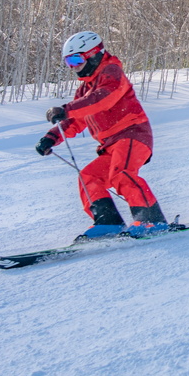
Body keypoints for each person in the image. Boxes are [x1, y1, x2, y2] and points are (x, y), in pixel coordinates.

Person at [35, 31, 168, 238]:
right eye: (68, 62)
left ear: (93, 54)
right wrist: (52, 136)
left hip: (132, 134)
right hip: (110, 145)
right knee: (89, 176)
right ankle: (108, 221)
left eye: (76, 59)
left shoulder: (111, 73)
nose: (74, 67)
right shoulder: (84, 90)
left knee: (121, 174)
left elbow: (103, 99)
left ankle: (151, 219)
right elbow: (77, 119)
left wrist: (66, 108)